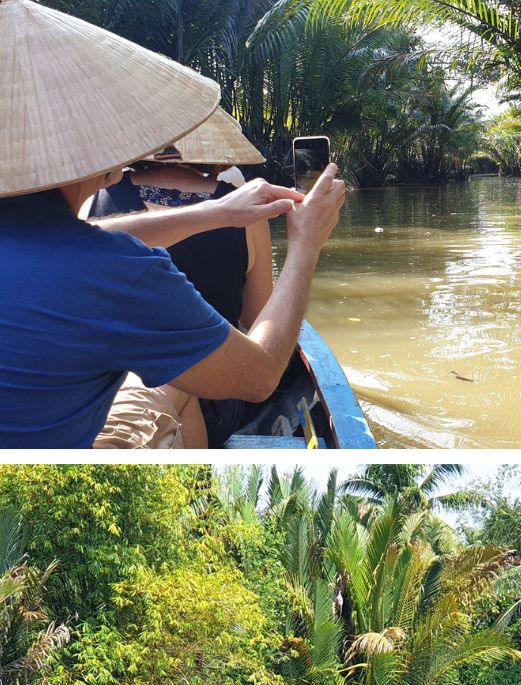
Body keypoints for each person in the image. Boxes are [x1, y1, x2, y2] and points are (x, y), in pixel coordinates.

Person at [0, 0, 346, 448]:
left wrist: (215, 214)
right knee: (178, 382)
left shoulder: (65, 242)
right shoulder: (119, 272)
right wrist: (306, 244)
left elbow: (74, 245)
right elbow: (261, 374)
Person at [88, 110, 273, 448]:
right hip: (214, 393)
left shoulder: (97, 201)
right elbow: (257, 319)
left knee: (169, 372)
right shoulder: (247, 211)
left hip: (103, 386)